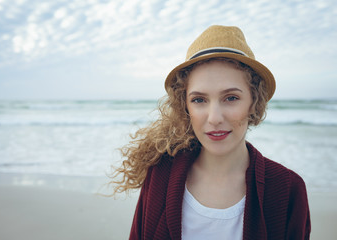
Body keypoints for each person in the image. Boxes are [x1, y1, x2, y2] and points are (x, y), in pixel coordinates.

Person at [111, 25, 311, 239]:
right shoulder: (160, 174)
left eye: (231, 98)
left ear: (254, 102)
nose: (214, 117)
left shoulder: (287, 189)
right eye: (199, 100)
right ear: (185, 107)